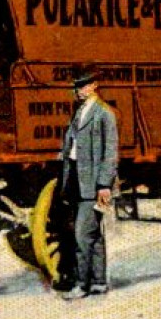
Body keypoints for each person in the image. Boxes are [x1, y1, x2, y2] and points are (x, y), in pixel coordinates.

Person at [54, 66, 118, 299]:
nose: (78, 91)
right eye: (76, 87)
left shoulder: (104, 114)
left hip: (93, 185)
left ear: (94, 86)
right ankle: (99, 282)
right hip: (77, 181)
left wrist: (104, 184)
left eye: (82, 86)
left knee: (82, 235)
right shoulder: (79, 112)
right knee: (95, 235)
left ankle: (82, 285)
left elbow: (110, 153)